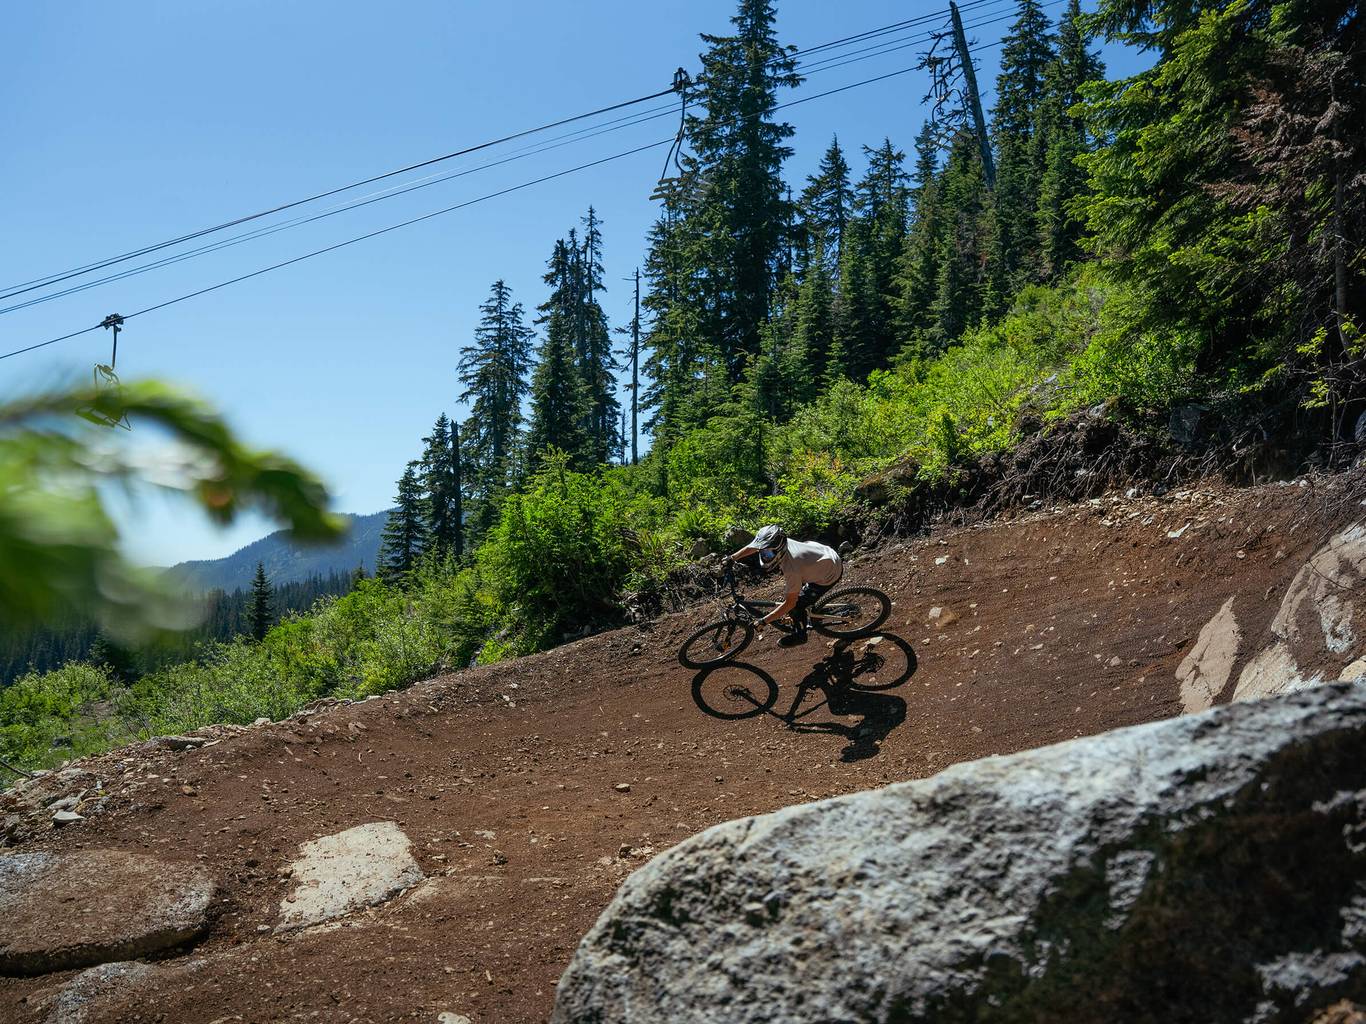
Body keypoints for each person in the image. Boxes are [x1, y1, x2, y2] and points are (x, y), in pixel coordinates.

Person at [726, 525, 842, 647]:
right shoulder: (780, 543)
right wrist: (732, 558)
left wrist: (764, 621)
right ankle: (811, 608)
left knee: (795, 606)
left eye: (769, 553)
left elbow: (790, 603)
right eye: (763, 552)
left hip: (830, 572)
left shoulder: (791, 569)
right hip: (821, 557)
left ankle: (800, 635)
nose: (765, 556)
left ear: (778, 549)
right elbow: (756, 545)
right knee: (794, 595)